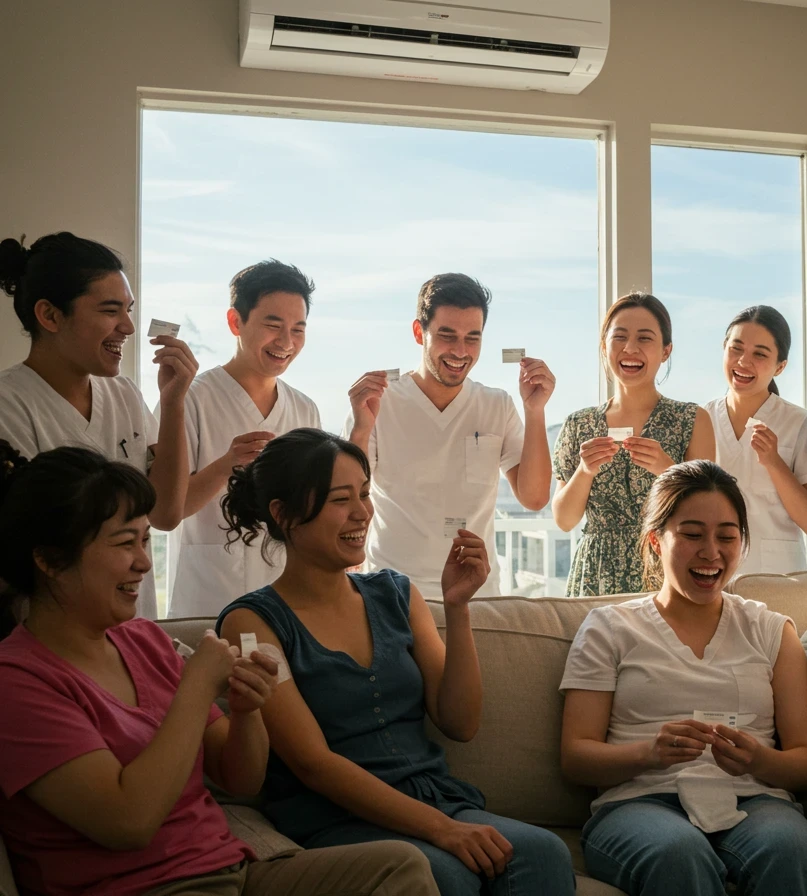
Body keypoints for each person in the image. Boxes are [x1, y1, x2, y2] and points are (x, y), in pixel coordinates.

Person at [0, 442, 435, 896]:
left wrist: (248, 712)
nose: (145, 562)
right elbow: (129, 822)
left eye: (146, 540)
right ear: (49, 560)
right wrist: (196, 688)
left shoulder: (144, 642)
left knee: (399, 866)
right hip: (143, 889)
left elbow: (241, 778)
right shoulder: (18, 683)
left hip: (231, 871)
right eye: (125, 543)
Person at [216, 428, 576, 896]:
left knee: (545, 852)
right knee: (445, 874)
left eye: (364, 494)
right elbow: (312, 764)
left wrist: (458, 606)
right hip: (338, 822)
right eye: (340, 500)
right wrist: (441, 831)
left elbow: (461, 722)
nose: (362, 512)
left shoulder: (396, 593)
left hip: (436, 800)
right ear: (284, 515)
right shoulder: (250, 623)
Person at [559, 460, 807, 896]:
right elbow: (575, 756)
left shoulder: (771, 630)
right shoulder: (609, 628)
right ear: (655, 541)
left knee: (790, 850)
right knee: (678, 854)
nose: (711, 552)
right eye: (692, 534)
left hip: (754, 802)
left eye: (727, 536)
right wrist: (649, 753)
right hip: (639, 803)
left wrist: (758, 761)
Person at [0, 232, 197, 619]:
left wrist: (173, 403)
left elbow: (165, 514)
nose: (128, 326)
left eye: (129, 310)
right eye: (110, 311)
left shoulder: (124, 395)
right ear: (50, 315)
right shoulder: (11, 406)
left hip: (131, 628)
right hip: (50, 635)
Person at [345, 273, 556, 597]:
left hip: (478, 595)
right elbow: (347, 494)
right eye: (447, 335)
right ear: (419, 332)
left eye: (473, 337)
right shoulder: (379, 404)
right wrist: (361, 428)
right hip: (391, 595)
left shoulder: (496, 405)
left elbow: (534, 497)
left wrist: (535, 410)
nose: (461, 351)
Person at [169, 259, 322, 618]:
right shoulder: (190, 398)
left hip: (287, 600)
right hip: (207, 596)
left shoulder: (305, 410)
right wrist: (227, 464)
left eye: (298, 329)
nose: (286, 342)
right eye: (273, 325)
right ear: (235, 321)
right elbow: (168, 510)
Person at [552, 292, 716, 595]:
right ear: (604, 347)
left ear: (666, 351)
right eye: (620, 337)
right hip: (595, 575)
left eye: (645, 338)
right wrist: (585, 471)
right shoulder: (579, 424)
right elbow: (564, 520)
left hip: (665, 569)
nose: (630, 348)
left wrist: (668, 470)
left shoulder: (692, 419)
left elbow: (709, 512)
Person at [704, 305, 807, 575]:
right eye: (736, 348)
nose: (743, 362)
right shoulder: (702, 419)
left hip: (779, 578)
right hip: (715, 573)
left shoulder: (799, 423)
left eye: (759, 354)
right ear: (724, 348)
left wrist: (774, 463)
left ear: (780, 366)